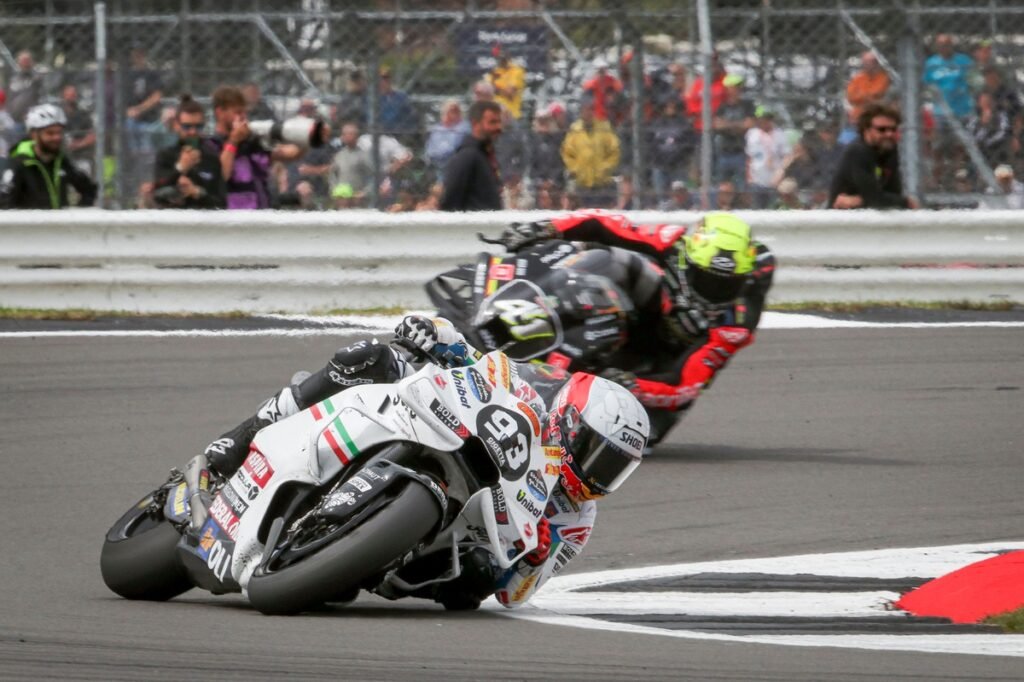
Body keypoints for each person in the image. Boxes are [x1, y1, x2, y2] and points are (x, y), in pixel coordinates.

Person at [199, 315, 649, 610]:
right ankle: (238, 442)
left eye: (615, 468)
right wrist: (436, 334)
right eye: (597, 453)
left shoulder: (577, 518)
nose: (598, 474)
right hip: (447, 427)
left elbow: (516, 595)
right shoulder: (541, 392)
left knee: (476, 584)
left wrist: (534, 557)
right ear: (570, 423)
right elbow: (488, 365)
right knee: (369, 357)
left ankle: (358, 557)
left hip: (450, 549)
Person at [493, 210, 774, 446]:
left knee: (628, 439)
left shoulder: (735, 323)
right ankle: (518, 305)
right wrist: (548, 228)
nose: (715, 293)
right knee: (605, 262)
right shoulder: (670, 242)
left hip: (666, 366)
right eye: (707, 280)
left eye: (727, 285)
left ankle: (559, 396)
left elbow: (685, 385)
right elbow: (604, 224)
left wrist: (632, 385)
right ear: (686, 260)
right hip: (642, 317)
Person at [208, 85, 304, 209]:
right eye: (238, 112)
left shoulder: (252, 143)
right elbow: (222, 176)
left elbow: (290, 153)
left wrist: (307, 137)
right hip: (233, 215)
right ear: (220, 112)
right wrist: (233, 141)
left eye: (244, 112)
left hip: (261, 213)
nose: (243, 117)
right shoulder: (212, 145)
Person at [0, 103, 97, 209]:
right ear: (34, 135)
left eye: (59, 132)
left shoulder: (62, 162)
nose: (57, 137)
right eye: (50, 133)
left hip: (59, 220)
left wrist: (77, 213)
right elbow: (4, 203)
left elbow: (89, 190)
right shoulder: (19, 163)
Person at [829, 102, 918, 209]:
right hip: (844, 216)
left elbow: (893, 192)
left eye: (893, 129)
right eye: (881, 130)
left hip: (870, 213)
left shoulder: (889, 149)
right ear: (866, 130)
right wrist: (905, 202)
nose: (889, 134)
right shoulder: (858, 152)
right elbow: (875, 199)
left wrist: (860, 201)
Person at [152, 95, 225, 209]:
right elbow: (157, 194)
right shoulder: (166, 156)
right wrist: (180, 169)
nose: (193, 132)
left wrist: (197, 192)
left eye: (198, 127)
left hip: (203, 218)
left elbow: (221, 203)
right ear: (177, 125)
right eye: (187, 127)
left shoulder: (211, 158)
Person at [439, 100, 504, 211]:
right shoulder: (467, 156)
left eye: (499, 122)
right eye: (492, 122)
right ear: (475, 124)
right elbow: (450, 201)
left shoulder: (486, 155)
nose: (498, 127)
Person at [561, 99, 621, 208]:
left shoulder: (604, 128)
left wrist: (605, 167)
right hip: (582, 181)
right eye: (585, 110)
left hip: (602, 181)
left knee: (602, 210)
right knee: (583, 211)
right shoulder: (575, 129)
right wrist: (575, 168)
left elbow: (614, 150)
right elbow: (567, 152)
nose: (588, 113)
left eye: (591, 110)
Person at [712, 74, 754, 190]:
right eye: (732, 87)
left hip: (741, 151)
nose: (734, 90)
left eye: (737, 87)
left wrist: (727, 125)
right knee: (722, 187)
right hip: (723, 152)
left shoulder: (747, 105)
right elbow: (717, 125)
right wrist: (738, 125)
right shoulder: (722, 106)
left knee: (742, 188)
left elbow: (748, 124)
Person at [744, 106, 790, 209]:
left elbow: (787, 156)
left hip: (774, 179)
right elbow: (749, 156)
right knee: (756, 208)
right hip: (756, 179)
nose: (764, 122)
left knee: (772, 209)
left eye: (768, 119)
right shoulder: (752, 134)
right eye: (762, 119)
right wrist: (748, 176)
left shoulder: (780, 135)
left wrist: (781, 172)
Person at [329, 122, 373, 208]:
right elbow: (332, 174)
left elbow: (374, 176)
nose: (345, 136)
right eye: (343, 134)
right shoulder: (339, 155)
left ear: (356, 136)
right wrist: (333, 190)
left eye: (349, 134)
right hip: (341, 199)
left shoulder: (363, 155)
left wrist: (365, 192)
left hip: (357, 199)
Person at [424, 99, 470, 181]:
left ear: (459, 113)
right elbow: (430, 151)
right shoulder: (437, 129)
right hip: (438, 166)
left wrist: (441, 153)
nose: (448, 115)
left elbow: (453, 147)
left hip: (457, 166)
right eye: (446, 112)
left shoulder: (464, 128)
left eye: (453, 111)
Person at [845, 51, 891, 125]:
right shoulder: (858, 78)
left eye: (868, 63)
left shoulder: (883, 78)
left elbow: (877, 92)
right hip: (858, 118)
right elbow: (850, 97)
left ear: (875, 63)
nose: (865, 65)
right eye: (864, 63)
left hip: (876, 115)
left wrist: (860, 95)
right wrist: (868, 96)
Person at [487, 48, 527, 120]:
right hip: (495, 115)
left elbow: (510, 93)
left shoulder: (517, 71)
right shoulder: (495, 72)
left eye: (504, 59)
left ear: (509, 58)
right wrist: (497, 89)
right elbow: (487, 92)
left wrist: (494, 88)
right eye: (499, 59)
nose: (502, 61)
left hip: (511, 114)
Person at [6, 50, 42, 128]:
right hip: (12, 119)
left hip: (31, 119)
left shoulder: (37, 78)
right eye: (23, 60)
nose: (25, 63)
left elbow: (41, 96)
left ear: (32, 62)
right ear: (18, 62)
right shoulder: (12, 78)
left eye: (27, 60)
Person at [582, 58, 623, 123]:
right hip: (596, 118)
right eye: (599, 70)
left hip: (612, 117)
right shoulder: (590, 85)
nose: (602, 73)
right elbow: (587, 104)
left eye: (603, 70)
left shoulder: (612, 82)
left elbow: (619, 95)